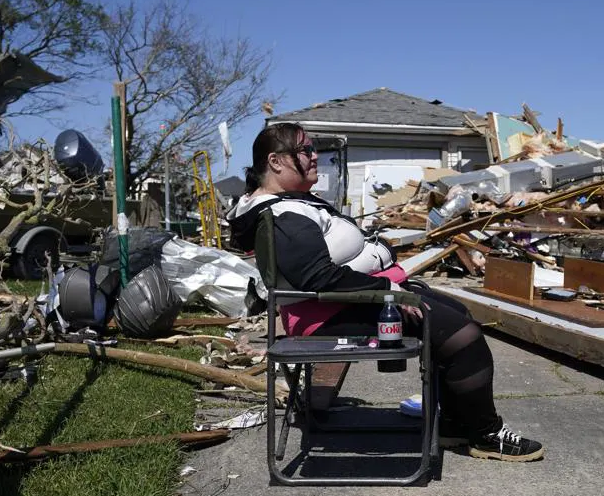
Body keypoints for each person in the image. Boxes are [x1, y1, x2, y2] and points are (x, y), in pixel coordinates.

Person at [228, 123, 544, 462]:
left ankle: (454, 424)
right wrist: (386, 288)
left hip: (342, 303)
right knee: (464, 337)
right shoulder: (282, 214)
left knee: (459, 315)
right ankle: (485, 434)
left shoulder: (289, 203)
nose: (315, 156)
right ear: (276, 162)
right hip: (329, 314)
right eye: (305, 150)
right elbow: (316, 277)